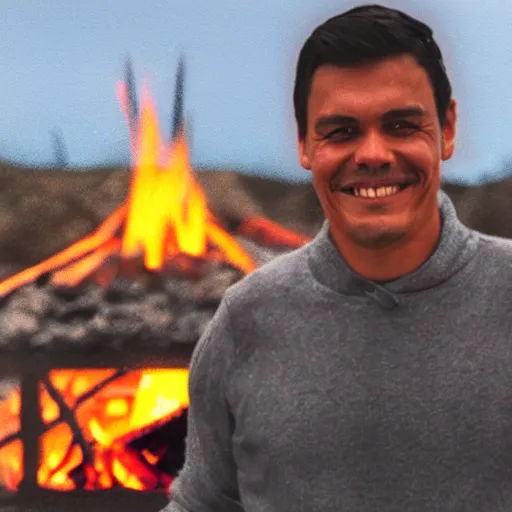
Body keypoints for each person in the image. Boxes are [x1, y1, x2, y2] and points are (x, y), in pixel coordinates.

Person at [162, 4, 512, 511]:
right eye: (341, 131)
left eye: (400, 125)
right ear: (304, 142)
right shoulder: (245, 320)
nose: (372, 154)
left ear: (448, 128)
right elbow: (204, 503)